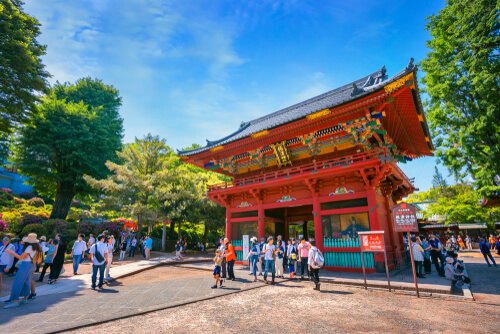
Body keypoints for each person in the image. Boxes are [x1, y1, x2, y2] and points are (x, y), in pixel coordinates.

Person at [3, 233, 42, 309]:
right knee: (26, 281)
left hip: (25, 265)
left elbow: (20, 257)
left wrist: (11, 252)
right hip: (31, 265)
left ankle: (15, 301)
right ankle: (25, 299)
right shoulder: (37, 246)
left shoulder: (30, 247)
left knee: (17, 282)